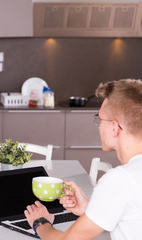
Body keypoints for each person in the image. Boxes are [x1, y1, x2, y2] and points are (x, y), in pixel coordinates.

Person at [24, 79, 142, 240]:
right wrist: (91, 210)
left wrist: (39, 222)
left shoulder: (119, 180)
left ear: (115, 128)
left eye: (99, 119)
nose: (99, 126)